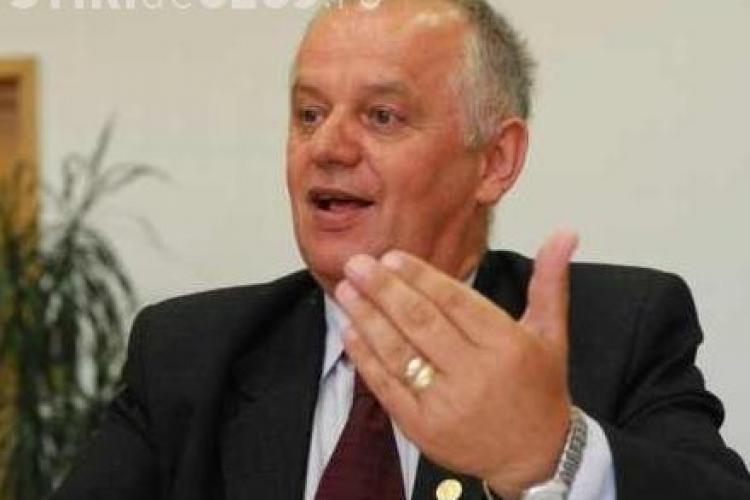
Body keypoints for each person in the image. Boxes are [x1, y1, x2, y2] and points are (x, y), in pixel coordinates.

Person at [52, 0, 750, 499]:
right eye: (309, 114)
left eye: (381, 116)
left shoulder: (618, 328)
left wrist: (548, 454)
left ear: (494, 161)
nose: (327, 146)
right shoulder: (188, 353)